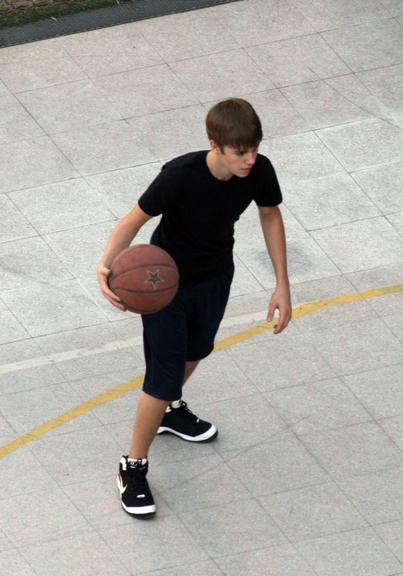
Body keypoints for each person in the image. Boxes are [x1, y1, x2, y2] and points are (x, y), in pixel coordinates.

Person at [97, 98, 292, 519]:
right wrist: (105, 266)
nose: (250, 160)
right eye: (241, 152)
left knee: (196, 351)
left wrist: (282, 284)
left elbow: (271, 215)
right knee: (164, 376)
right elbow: (134, 219)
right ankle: (132, 466)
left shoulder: (259, 170)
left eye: (254, 150)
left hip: (215, 277)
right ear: (215, 144)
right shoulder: (180, 175)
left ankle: (169, 412)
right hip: (162, 286)